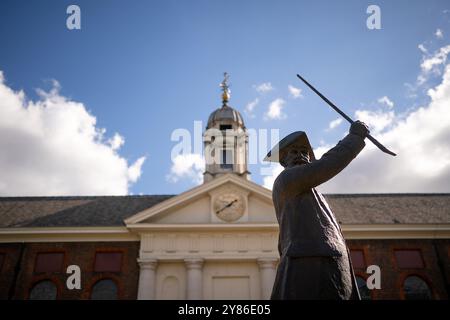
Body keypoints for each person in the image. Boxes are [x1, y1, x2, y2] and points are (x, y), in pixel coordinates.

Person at [264, 120, 370, 300]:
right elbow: (327, 164)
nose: (301, 155)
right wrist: (354, 137)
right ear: (283, 160)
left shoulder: (313, 194)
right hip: (311, 258)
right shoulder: (287, 180)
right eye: (294, 152)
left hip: (328, 259)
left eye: (305, 152)